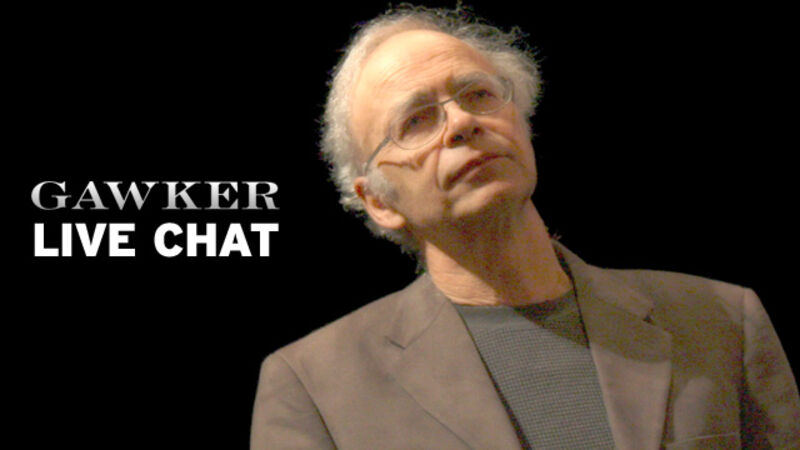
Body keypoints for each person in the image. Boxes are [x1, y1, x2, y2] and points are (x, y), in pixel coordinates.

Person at [251, 5, 799, 448]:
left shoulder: (721, 322)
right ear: (378, 201)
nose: (462, 122)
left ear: (520, 121)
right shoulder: (312, 387)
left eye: (478, 95)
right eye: (416, 120)